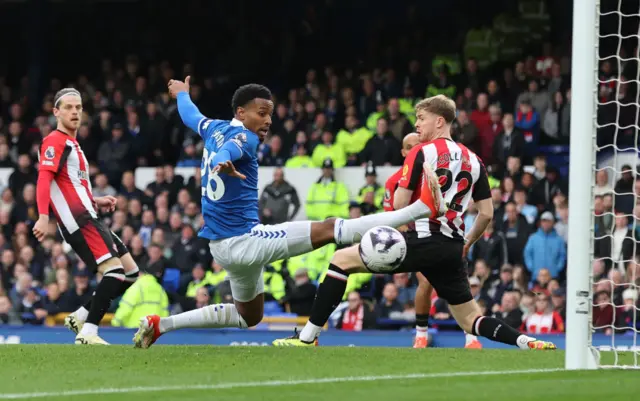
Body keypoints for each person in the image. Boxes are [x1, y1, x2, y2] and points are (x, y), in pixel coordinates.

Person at [133, 78, 444, 348]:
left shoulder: (213, 128)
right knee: (333, 229)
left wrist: (183, 94)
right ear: (241, 113)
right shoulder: (246, 138)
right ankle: (421, 208)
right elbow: (235, 147)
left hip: (222, 247)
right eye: (261, 113)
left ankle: (162, 325)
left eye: (270, 113)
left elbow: (191, 116)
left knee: (248, 317)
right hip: (244, 241)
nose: (268, 120)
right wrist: (223, 161)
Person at [273, 94, 556, 351]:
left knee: (340, 260)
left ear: (440, 120)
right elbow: (486, 213)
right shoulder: (475, 160)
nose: (417, 125)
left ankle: (307, 337)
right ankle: (525, 340)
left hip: (423, 238)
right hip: (452, 246)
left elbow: (399, 206)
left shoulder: (421, 153)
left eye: (421, 119)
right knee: (471, 319)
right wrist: (468, 241)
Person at [32, 88, 140, 345]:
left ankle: (80, 315)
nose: (75, 112)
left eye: (78, 107)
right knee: (113, 272)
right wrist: (43, 216)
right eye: (68, 107)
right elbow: (44, 178)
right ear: (56, 112)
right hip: (79, 220)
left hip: (89, 213)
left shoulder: (73, 144)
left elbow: (70, 186)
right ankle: (89, 332)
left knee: (131, 272)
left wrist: (95, 200)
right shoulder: (55, 141)